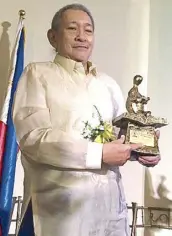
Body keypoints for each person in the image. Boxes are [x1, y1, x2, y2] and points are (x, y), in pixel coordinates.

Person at [12, 3, 160, 236]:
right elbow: (35, 138)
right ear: (53, 37)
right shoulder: (38, 74)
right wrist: (98, 154)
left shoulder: (108, 84)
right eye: (72, 29)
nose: (82, 37)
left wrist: (141, 148)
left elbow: (119, 136)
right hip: (59, 211)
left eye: (88, 30)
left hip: (107, 208)